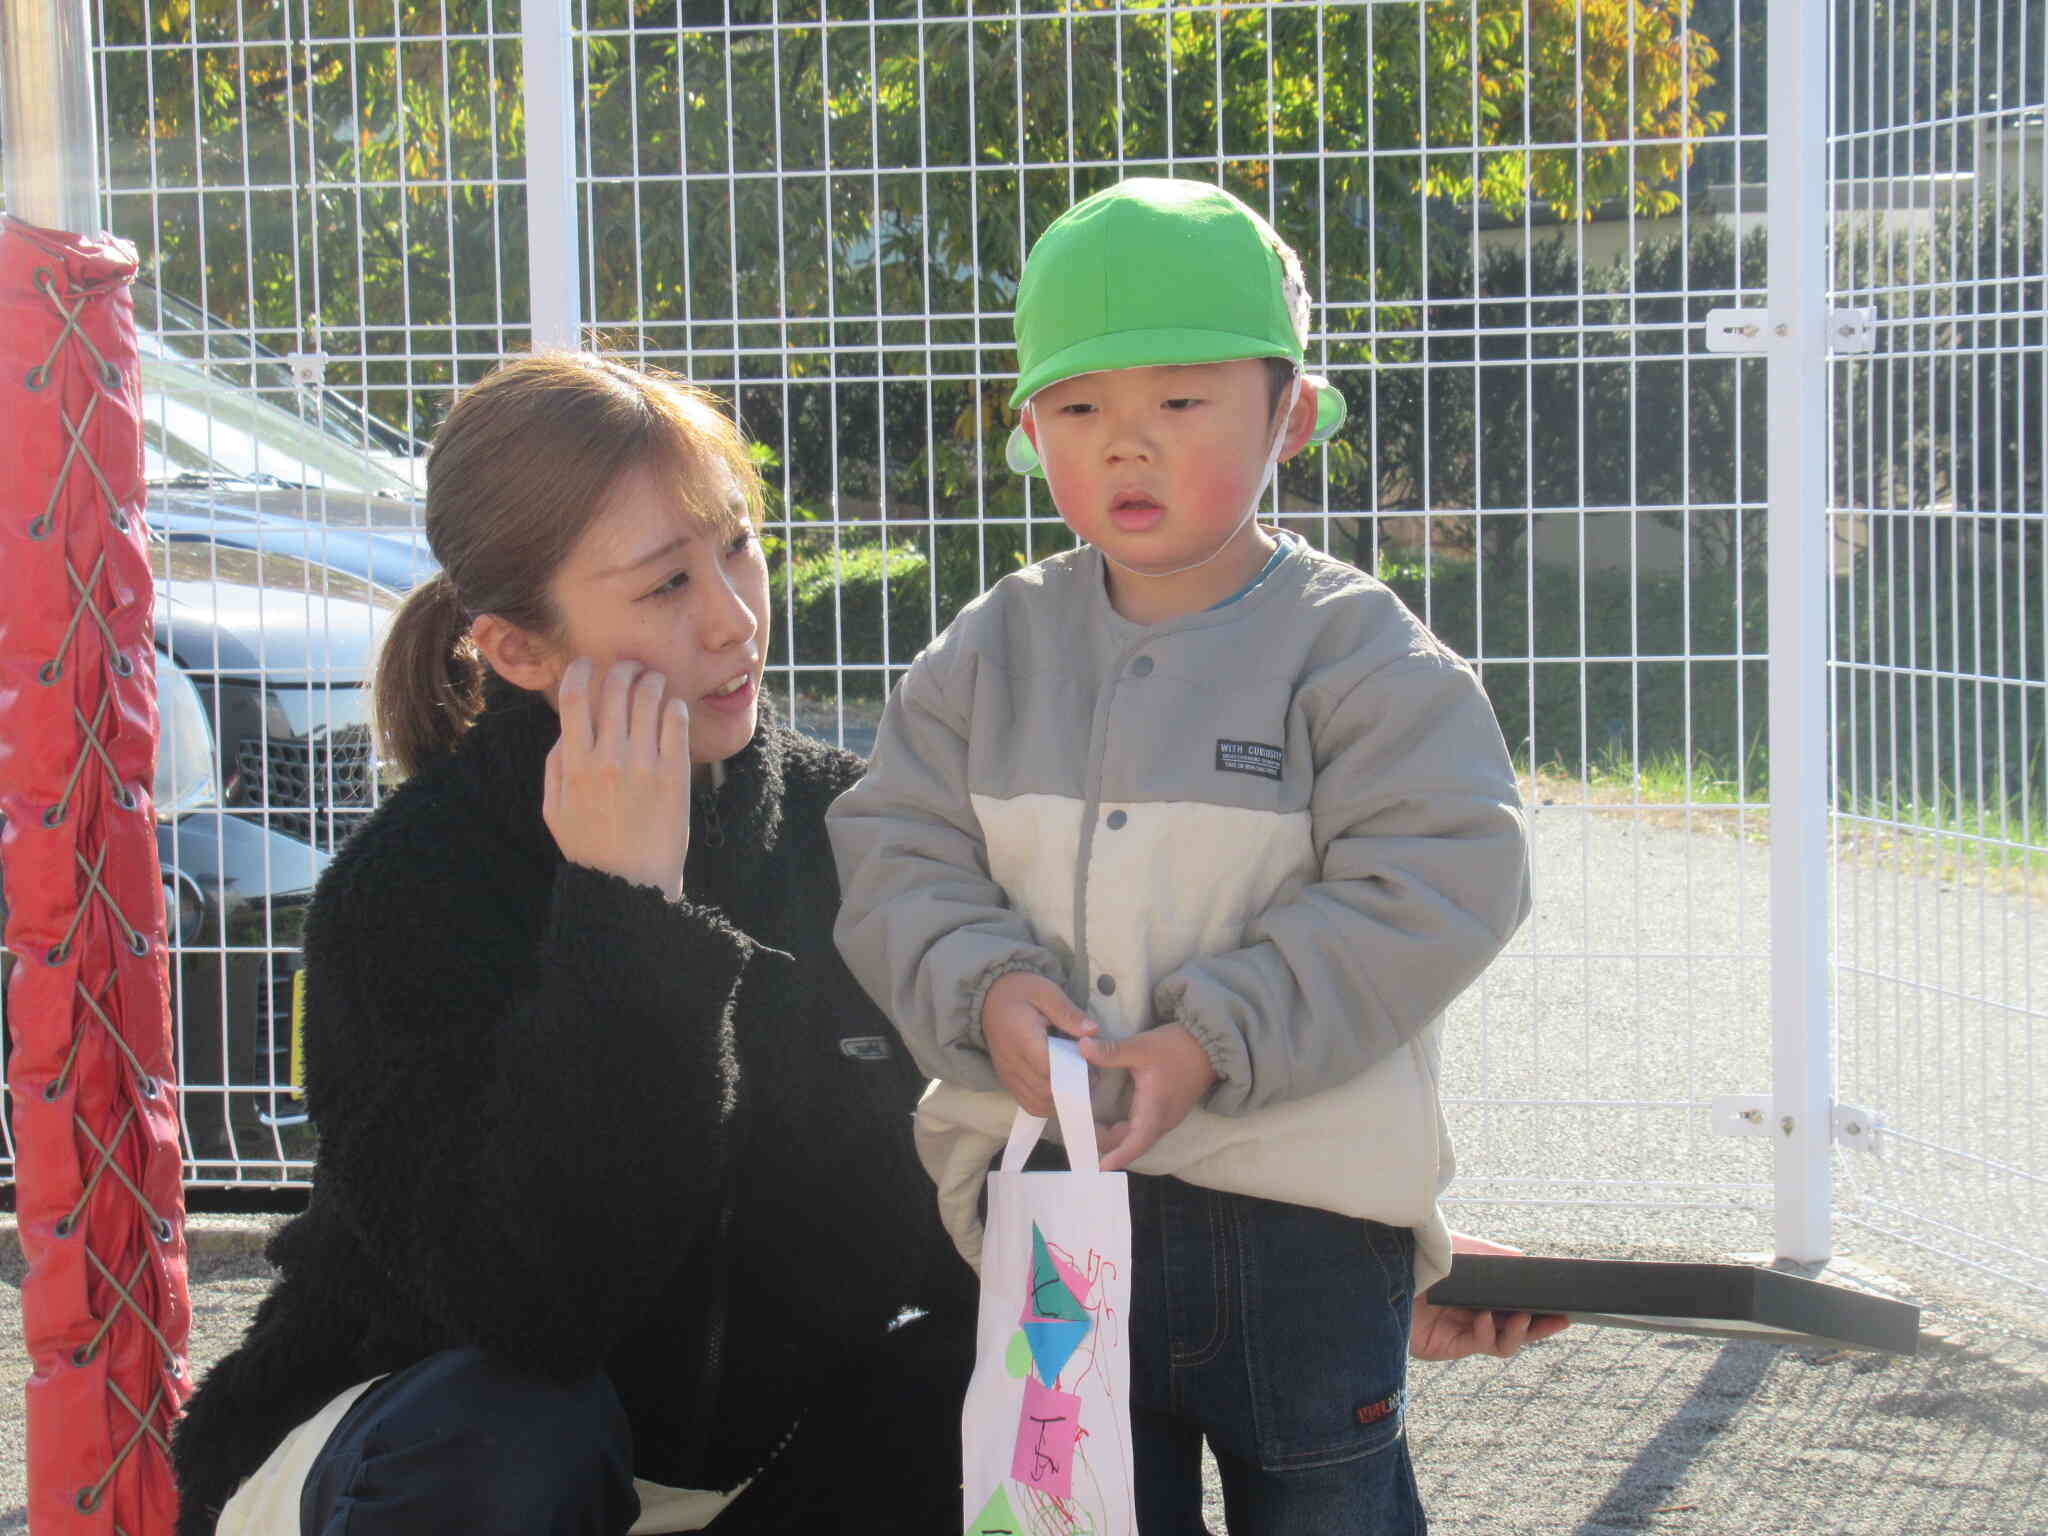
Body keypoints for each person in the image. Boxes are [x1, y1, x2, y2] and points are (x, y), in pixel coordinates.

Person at [827, 177, 1553, 1535]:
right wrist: (982, 990)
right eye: (1082, 410)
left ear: (1286, 415)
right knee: (1069, 1519)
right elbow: (893, 854)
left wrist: (1209, 1041)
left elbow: (1449, 872)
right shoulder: (989, 653)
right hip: (1049, 1214)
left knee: (1331, 1511)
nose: (1128, 449)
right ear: (1031, 428)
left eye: (1179, 404)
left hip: (1302, 1227)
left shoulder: (1359, 654)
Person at [171, 354, 977, 1536]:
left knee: (1005, 1381)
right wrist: (625, 906)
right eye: (663, 586)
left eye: (739, 545)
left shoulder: (852, 837)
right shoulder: (411, 889)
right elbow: (540, 1307)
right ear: (519, 651)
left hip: (739, 1473)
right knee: (513, 1430)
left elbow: (953, 1252)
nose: (733, 616)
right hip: (416, 1459)